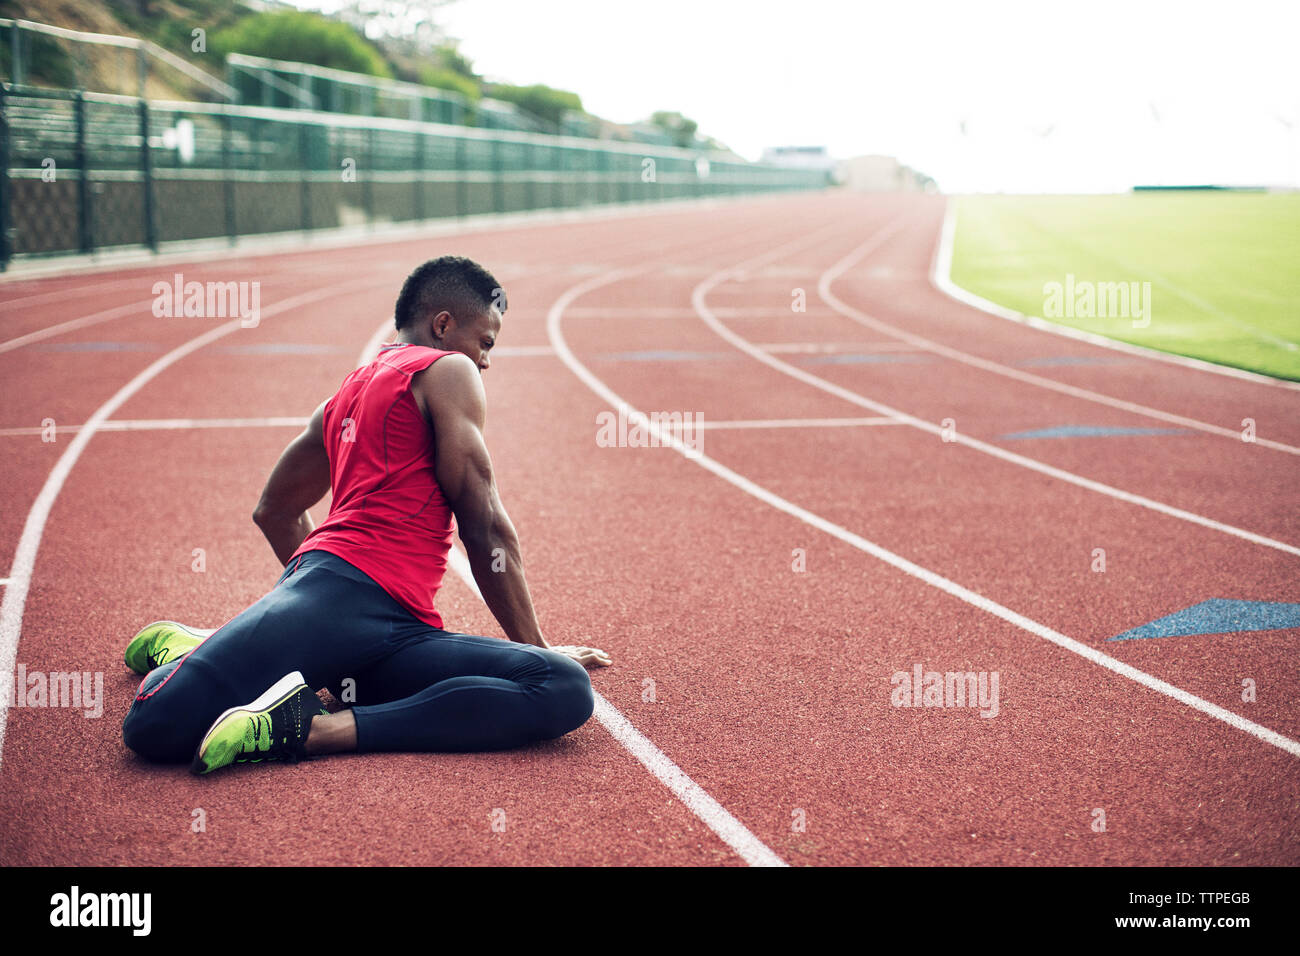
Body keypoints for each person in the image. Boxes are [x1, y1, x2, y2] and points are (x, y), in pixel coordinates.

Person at [122, 255, 610, 774]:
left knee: (562, 686)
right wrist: (536, 647)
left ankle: (314, 729)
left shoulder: (346, 393)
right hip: (343, 596)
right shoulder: (449, 370)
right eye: (485, 342)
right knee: (155, 724)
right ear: (443, 325)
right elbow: (484, 522)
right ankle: (211, 650)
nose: (486, 361)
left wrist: (303, 609)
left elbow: (276, 511)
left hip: (397, 631)